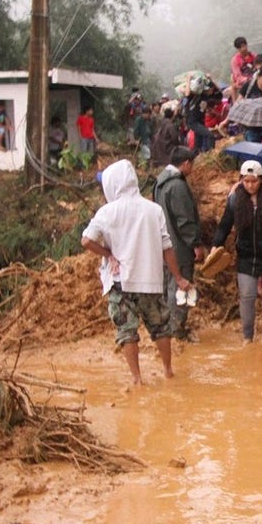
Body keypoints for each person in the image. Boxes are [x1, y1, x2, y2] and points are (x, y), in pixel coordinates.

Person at [80, 159, 191, 385]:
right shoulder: (154, 210)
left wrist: (108, 253)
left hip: (121, 282)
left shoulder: (107, 212)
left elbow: (86, 241)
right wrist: (178, 277)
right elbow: (166, 247)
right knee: (161, 327)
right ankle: (168, 371)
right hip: (150, 281)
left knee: (126, 331)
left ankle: (137, 379)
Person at [211, 160, 262, 340]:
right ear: (241, 180)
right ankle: (248, 337)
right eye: (246, 181)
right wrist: (215, 245)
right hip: (246, 255)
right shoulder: (235, 200)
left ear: (261, 180)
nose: (250, 185)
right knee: (247, 296)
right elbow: (224, 225)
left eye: (254, 181)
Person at [154, 146, 206, 342]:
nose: (192, 168)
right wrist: (196, 244)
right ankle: (176, 330)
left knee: (169, 286)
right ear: (185, 164)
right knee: (181, 286)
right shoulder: (178, 186)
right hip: (180, 248)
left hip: (164, 246)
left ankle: (168, 327)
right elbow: (185, 220)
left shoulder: (160, 182)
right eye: (192, 164)